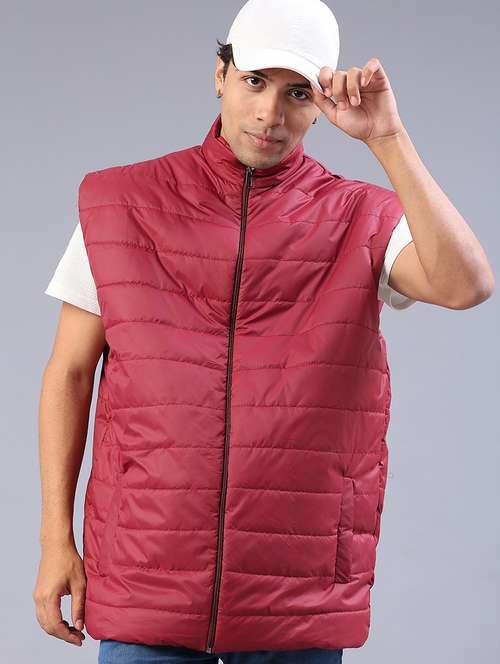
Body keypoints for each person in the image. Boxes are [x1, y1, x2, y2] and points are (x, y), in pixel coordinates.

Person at [33, 0, 495, 662]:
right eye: (254, 81)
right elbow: (70, 373)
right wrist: (56, 539)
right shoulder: (120, 204)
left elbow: (466, 285)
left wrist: (387, 139)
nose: (270, 114)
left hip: (296, 594)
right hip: (146, 577)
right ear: (220, 75)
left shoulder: (360, 216)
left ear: (322, 104)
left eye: (298, 92)